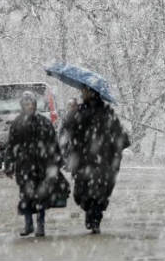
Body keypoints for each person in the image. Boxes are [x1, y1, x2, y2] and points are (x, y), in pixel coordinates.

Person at [64, 86, 130, 234]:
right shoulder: (79, 112)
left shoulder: (107, 113)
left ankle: (95, 220)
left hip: (103, 160)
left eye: (85, 92)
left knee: (100, 193)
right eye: (82, 92)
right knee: (81, 194)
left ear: (92, 93)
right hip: (83, 159)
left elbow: (120, 136)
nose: (82, 94)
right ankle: (90, 212)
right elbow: (69, 129)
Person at [5, 91, 63, 237]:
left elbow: (53, 143)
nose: (28, 106)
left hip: (41, 165)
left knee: (40, 196)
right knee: (26, 195)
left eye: (30, 103)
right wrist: (9, 165)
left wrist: (55, 161)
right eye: (25, 104)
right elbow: (11, 146)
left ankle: (40, 225)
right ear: (22, 106)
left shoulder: (44, 122)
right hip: (24, 166)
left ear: (35, 105)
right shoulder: (17, 124)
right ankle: (28, 224)